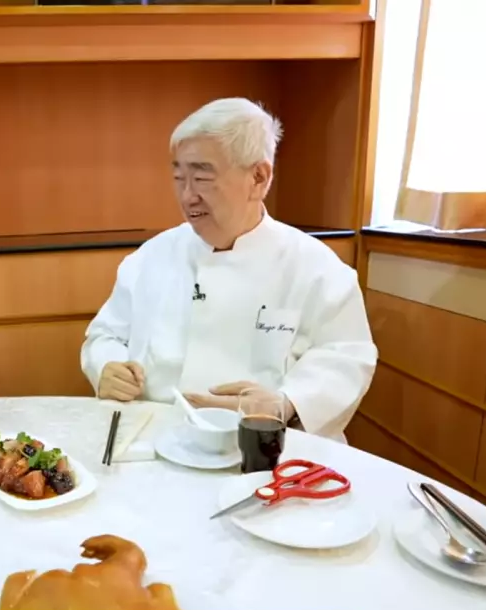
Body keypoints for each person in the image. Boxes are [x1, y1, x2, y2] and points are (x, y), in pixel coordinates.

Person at [80, 98, 377, 442]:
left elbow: (347, 358)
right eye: (179, 178)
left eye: (201, 177)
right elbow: (104, 336)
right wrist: (107, 367)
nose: (187, 196)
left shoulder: (317, 268)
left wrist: (287, 403)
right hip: (154, 441)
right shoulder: (152, 256)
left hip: (265, 448)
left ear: (259, 177)